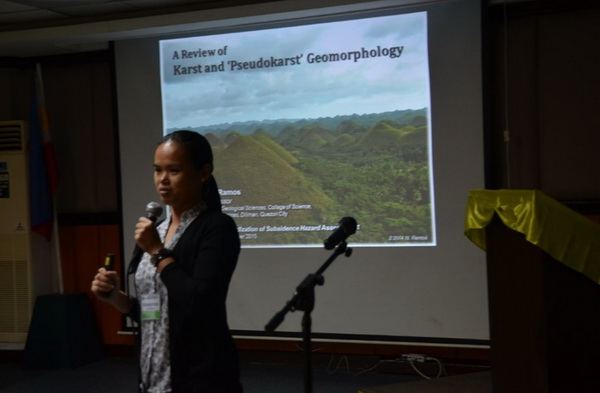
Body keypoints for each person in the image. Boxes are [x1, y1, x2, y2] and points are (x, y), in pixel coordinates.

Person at [91, 130, 243, 393]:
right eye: (157, 170)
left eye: (173, 170)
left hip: (200, 377)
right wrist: (116, 297)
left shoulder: (217, 227)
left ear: (203, 172)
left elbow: (199, 302)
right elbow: (155, 312)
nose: (162, 180)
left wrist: (157, 251)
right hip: (153, 373)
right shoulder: (157, 230)